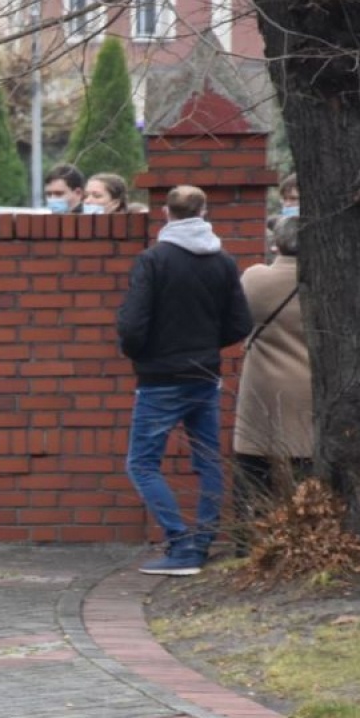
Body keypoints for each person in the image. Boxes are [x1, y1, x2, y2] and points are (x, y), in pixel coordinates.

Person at [118, 185, 253, 575]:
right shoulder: (223, 262)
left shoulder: (153, 260)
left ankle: (180, 545)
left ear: (166, 212)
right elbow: (240, 323)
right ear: (203, 212)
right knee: (208, 460)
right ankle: (204, 541)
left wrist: (140, 354)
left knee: (142, 463)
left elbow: (133, 324)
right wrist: (207, 347)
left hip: (160, 377)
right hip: (204, 374)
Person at [232, 215, 311, 551]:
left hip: (262, 387)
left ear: (276, 243)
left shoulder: (255, 278)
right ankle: (303, 538)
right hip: (308, 385)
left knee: (253, 467)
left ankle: (247, 542)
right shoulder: (326, 283)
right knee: (305, 465)